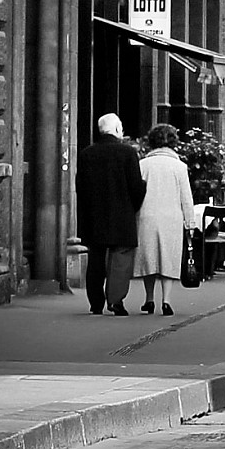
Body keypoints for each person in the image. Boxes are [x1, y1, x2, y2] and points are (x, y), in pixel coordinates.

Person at [75, 114, 144, 316]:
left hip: (94, 214)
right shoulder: (128, 153)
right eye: (120, 127)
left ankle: (96, 302)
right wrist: (133, 207)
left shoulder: (87, 154)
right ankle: (115, 300)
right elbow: (136, 186)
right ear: (116, 129)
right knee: (121, 257)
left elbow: (81, 186)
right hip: (122, 213)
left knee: (95, 257)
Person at [131, 124, 195, 315]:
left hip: (146, 216)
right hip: (172, 218)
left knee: (149, 258)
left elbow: (136, 192)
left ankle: (149, 298)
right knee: (169, 259)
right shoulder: (180, 167)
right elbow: (186, 197)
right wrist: (190, 223)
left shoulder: (143, 165)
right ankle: (166, 301)